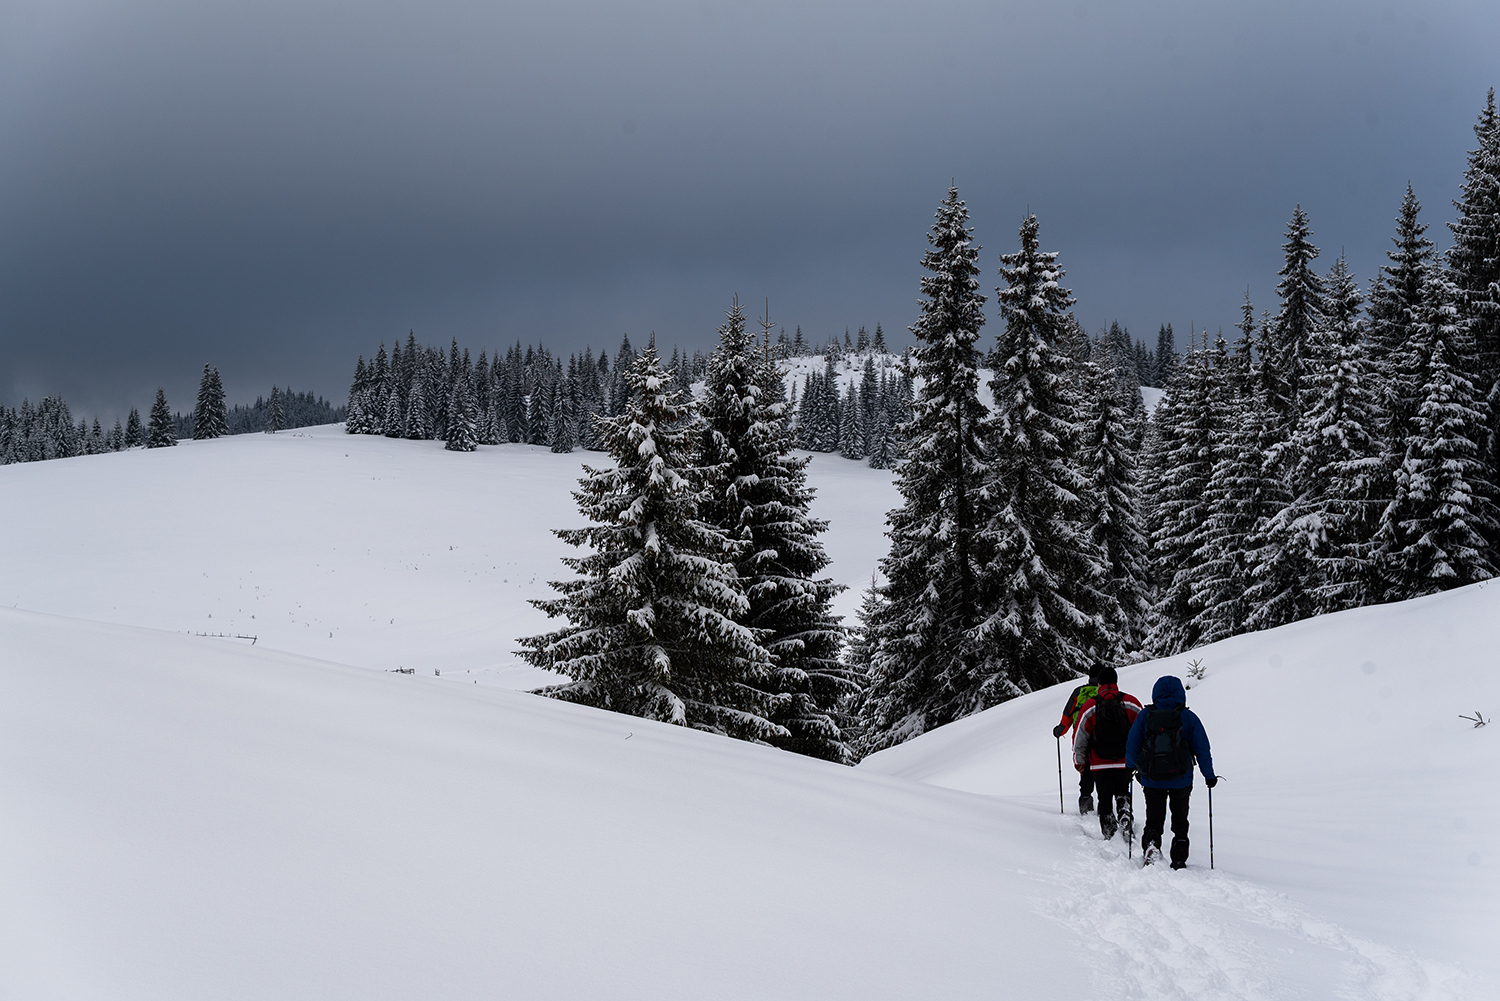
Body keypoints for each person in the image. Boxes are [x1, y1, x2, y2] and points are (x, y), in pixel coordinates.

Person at [1125, 675, 1216, 869]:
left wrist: (1130, 767)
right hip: (1181, 779)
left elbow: (1132, 744)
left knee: (1154, 817)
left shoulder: (1145, 715)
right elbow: (1202, 748)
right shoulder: (1188, 717)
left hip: (1151, 778)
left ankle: (1151, 846)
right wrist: (1209, 776)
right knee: (1180, 817)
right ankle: (1179, 853)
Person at [1072, 666, 1142, 843]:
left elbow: (1080, 737)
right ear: (1116, 682)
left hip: (1099, 763)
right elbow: (1143, 731)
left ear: (1100, 683)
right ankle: (1125, 812)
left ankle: (1111, 836)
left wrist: (1079, 762)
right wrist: (1140, 759)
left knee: (1104, 798)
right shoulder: (1130, 702)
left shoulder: (1090, 705)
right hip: (1124, 761)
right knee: (1122, 791)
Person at [1052, 665, 1101, 814]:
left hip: (1082, 739)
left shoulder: (1079, 692)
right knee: (1103, 774)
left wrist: (1060, 730)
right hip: (1104, 740)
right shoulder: (1106, 693)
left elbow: (1068, 715)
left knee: (1086, 773)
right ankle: (1106, 807)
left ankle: (1086, 806)